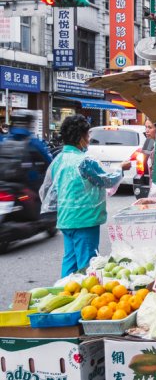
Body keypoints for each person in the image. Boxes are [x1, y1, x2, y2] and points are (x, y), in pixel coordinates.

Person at [41, 114, 130, 277]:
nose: (89, 139)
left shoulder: (58, 159)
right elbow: (107, 180)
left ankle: (64, 292)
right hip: (85, 220)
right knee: (87, 266)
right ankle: (82, 299)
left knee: (70, 261)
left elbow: (49, 189)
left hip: (65, 220)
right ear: (81, 137)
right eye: (87, 135)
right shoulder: (84, 161)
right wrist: (121, 168)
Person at [0, 110, 52, 192]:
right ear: (29, 124)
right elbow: (50, 164)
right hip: (27, 190)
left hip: (3, 187)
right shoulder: (34, 142)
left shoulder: (3, 140)